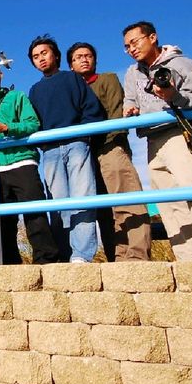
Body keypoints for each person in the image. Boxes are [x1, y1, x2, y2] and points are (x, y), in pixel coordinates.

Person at [122, 20, 192, 260]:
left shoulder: (180, 63)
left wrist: (174, 96)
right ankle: (189, 254)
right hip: (151, 139)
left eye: (135, 42)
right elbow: (130, 100)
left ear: (152, 37)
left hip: (177, 131)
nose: (131, 49)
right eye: (127, 46)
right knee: (168, 199)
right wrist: (129, 109)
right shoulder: (132, 73)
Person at [68, 41, 152, 261]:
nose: (84, 59)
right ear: (71, 65)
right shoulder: (72, 91)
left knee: (126, 199)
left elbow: (115, 112)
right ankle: (116, 256)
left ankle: (136, 256)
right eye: (78, 57)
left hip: (110, 145)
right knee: (102, 210)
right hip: (84, 153)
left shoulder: (107, 79)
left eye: (88, 55)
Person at [0, 58, 58, 264]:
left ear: (0, 74)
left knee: (33, 213)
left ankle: (47, 260)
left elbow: (32, 124)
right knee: (5, 221)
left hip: (23, 162)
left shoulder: (17, 96)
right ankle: (10, 263)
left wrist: (6, 127)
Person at [27, 35, 103, 263]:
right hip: (49, 151)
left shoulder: (73, 79)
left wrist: (82, 134)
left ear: (56, 55)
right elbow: (34, 122)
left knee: (82, 197)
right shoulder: (34, 90)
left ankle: (82, 255)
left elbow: (91, 109)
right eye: (35, 56)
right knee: (57, 203)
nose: (40, 58)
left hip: (77, 144)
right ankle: (63, 252)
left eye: (44, 53)